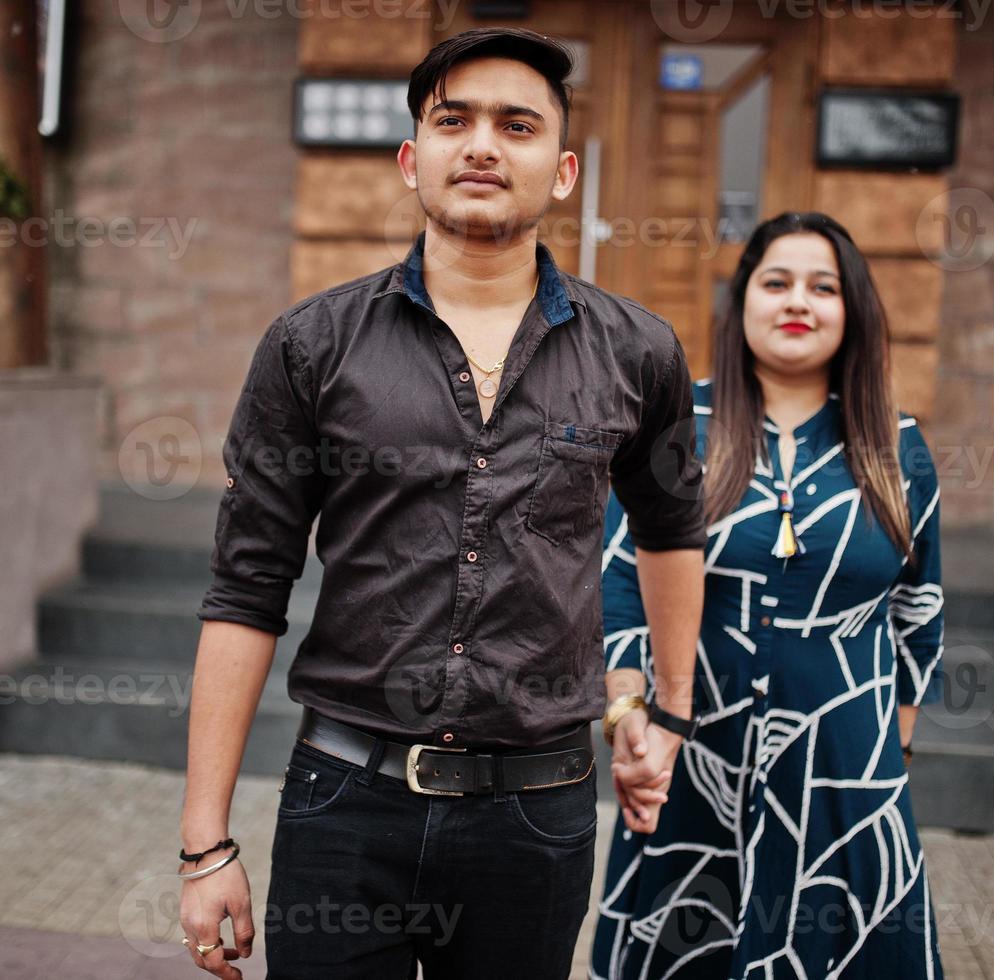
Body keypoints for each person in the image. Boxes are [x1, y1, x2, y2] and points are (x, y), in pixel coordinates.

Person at [176, 27, 708, 980]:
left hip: (535, 817)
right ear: (411, 158)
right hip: (344, 802)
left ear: (563, 171)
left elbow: (671, 532)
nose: (482, 145)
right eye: (452, 120)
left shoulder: (639, 353)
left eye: (517, 124)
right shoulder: (311, 346)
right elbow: (247, 587)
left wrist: (667, 710)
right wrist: (205, 844)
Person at [591, 212, 947, 978]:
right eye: (775, 281)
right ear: (742, 299)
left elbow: (919, 611)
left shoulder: (896, 442)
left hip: (844, 764)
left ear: (851, 309)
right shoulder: (678, 423)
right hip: (692, 754)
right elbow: (620, 579)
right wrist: (628, 712)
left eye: (822, 287)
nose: (797, 302)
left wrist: (893, 752)